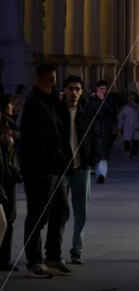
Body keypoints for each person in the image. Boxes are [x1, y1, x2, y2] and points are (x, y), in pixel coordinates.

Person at [20, 64, 72, 277]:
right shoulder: (35, 104)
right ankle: (34, 260)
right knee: (38, 215)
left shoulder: (47, 102)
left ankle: (53, 256)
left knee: (61, 210)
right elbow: (37, 142)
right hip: (40, 171)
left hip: (54, 170)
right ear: (52, 79)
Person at [58, 76, 97, 265]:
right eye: (70, 88)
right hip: (63, 170)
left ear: (81, 92)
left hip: (82, 168)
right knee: (60, 212)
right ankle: (55, 252)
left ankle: (77, 250)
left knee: (81, 212)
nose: (73, 92)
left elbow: (95, 136)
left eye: (77, 89)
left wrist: (91, 160)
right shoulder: (57, 112)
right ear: (64, 90)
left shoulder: (86, 112)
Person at [0, 94, 21, 271]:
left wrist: (13, 134)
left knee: (10, 217)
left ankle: (4, 258)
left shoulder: (9, 123)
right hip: (2, 178)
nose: (12, 106)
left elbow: (22, 135)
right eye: (9, 104)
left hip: (10, 177)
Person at [86, 80, 117, 184]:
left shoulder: (109, 99)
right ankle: (95, 169)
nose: (103, 91)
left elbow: (112, 112)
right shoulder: (91, 99)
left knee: (103, 152)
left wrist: (103, 101)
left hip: (105, 129)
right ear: (97, 88)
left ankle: (102, 174)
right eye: (101, 89)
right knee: (95, 150)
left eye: (105, 89)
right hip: (94, 128)